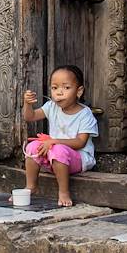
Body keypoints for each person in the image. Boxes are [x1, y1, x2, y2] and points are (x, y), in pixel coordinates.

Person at [18, 65, 99, 207]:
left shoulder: (85, 114)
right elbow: (30, 117)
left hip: (79, 159)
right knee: (32, 147)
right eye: (55, 88)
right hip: (54, 155)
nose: (59, 93)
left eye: (66, 88)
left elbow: (80, 142)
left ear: (79, 91)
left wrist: (54, 141)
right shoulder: (51, 106)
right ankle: (31, 186)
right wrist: (27, 104)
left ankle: (63, 192)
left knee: (58, 150)